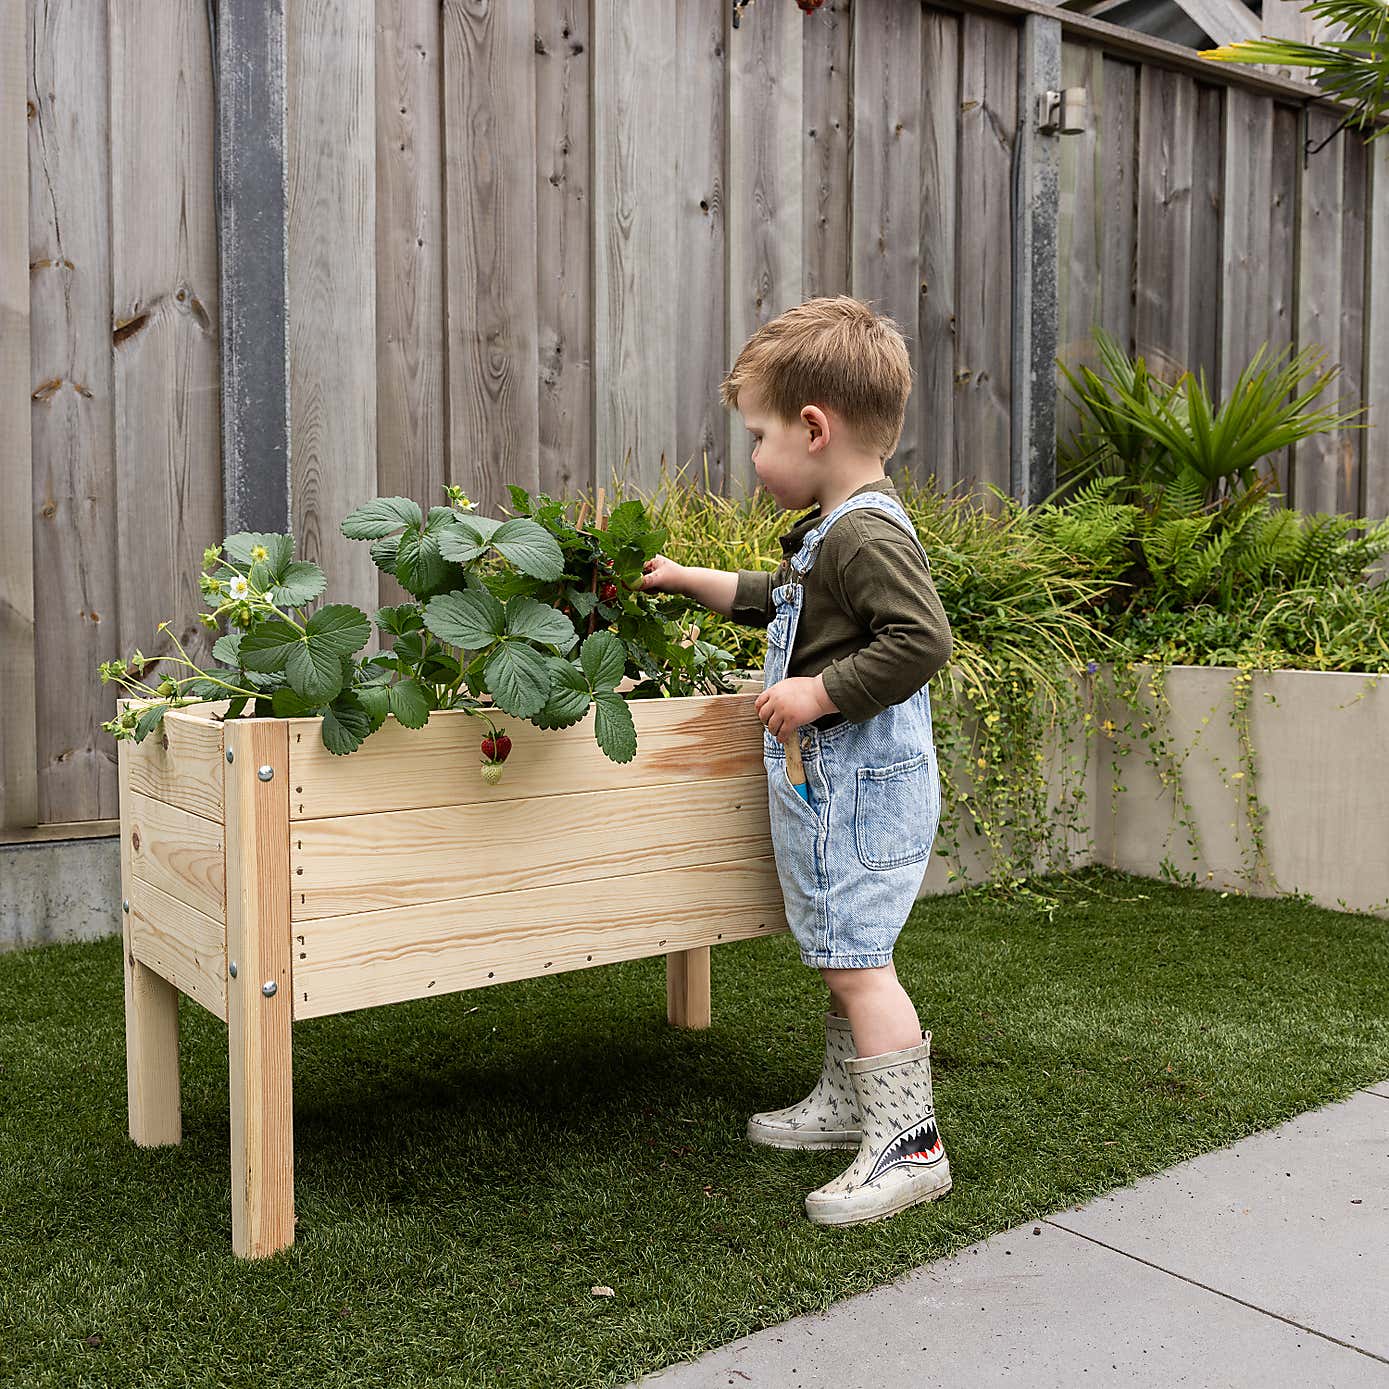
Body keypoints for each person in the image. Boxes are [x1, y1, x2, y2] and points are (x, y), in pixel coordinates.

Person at [640, 296, 955, 1226]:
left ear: (812, 429)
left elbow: (921, 640)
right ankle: (851, 1101)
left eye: (757, 435)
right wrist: (686, 579)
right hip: (842, 787)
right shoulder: (839, 524)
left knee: (859, 961)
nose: (751, 455)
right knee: (844, 952)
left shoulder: (862, 532)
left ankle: (910, 1144)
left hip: (858, 786)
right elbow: (785, 597)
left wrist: (818, 694)